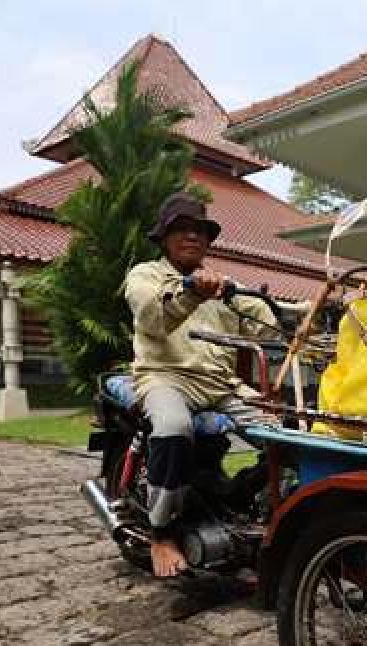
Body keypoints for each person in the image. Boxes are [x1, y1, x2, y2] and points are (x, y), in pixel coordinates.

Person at [124, 192, 279, 577]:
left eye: (200, 231)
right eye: (181, 229)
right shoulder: (146, 275)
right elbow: (151, 319)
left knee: (289, 436)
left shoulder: (224, 286)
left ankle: (239, 499)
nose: (192, 236)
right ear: (163, 237)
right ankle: (161, 533)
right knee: (174, 428)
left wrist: (326, 307)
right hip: (166, 377)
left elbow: (268, 324)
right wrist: (192, 291)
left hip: (222, 385)